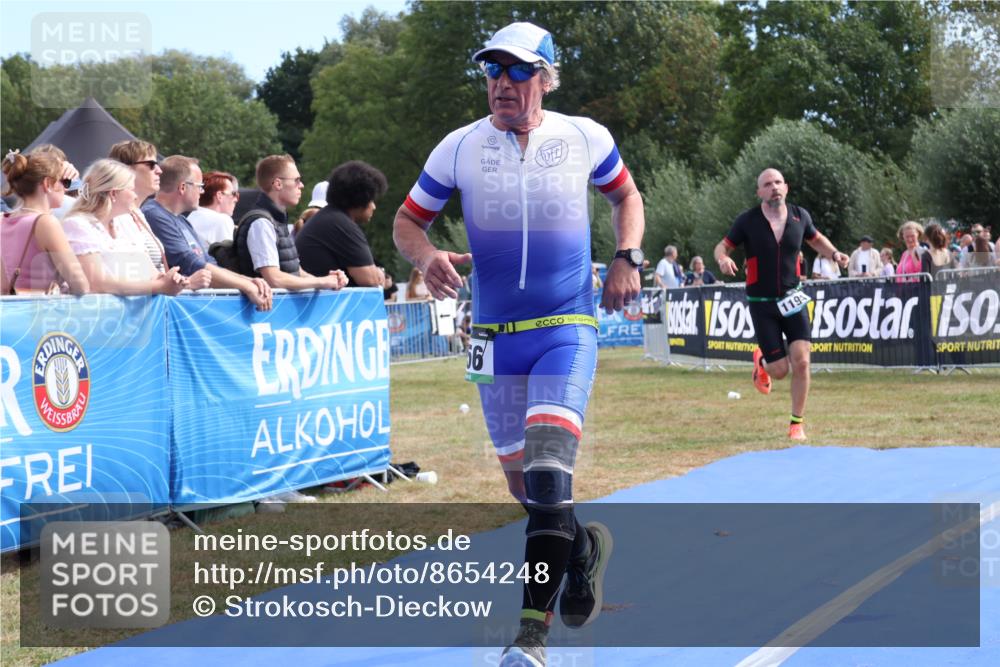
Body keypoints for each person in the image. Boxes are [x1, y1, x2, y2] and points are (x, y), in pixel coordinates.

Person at [393, 22, 642, 667]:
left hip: (566, 330)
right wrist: (422, 258)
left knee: (550, 474)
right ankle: (583, 549)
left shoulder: (585, 136)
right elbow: (406, 221)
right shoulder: (459, 147)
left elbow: (627, 196)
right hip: (494, 341)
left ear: (546, 79)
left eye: (518, 71)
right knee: (527, 491)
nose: (502, 83)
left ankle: (531, 635)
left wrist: (627, 256)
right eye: (493, 72)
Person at [714, 168, 847, 441]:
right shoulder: (747, 221)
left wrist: (834, 253)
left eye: (777, 182)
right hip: (762, 303)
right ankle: (762, 360)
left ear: (786, 187)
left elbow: (816, 239)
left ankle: (796, 423)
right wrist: (723, 260)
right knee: (780, 371)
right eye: (767, 184)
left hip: (793, 299)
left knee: (802, 362)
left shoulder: (800, 216)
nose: (773, 187)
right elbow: (722, 246)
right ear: (759, 192)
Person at [142, 155, 273, 310]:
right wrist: (246, 285)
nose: (202, 191)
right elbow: (191, 264)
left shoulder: (182, 220)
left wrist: (249, 281)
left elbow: (208, 263)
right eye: (199, 186)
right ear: (183, 187)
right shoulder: (154, 215)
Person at [62, 159, 186, 296]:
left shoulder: (125, 222)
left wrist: (174, 280)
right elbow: (97, 283)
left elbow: (152, 274)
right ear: (114, 194)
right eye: (131, 189)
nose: (135, 195)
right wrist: (158, 286)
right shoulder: (77, 224)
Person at [233, 154, 347, 291]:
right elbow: (274, 279)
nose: (302, 185)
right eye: (297, 180)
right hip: (267, 311)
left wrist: (331, 281)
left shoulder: (275, 220)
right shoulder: (261, 223)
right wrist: (322, 282)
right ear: (278, 184)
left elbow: (295, 271)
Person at [1, 150, 89, 294]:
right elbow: (81, 285)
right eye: (65, 182)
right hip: (42, 311)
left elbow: (3, 288)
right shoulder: (46, 223)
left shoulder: (3, 219)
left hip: (14, 311)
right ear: (48, 184)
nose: (66, 189)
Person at [295, 160, 388, 287]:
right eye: (371, 200)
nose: (374, 207)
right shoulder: (341, 225)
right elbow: (370, 280)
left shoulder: (330, 219)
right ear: (361, 198)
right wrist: (379, 272)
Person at [108, 139, 170, 273]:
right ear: (127, 169)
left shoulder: (136, 212)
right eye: (151, 164)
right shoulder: (116, 215)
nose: (159, 170)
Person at [187, 171, 239, 245]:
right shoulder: (223, 220)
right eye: (233, 193)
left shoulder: (192, 216)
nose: (236, 199)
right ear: (219, 196)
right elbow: (227, 255)